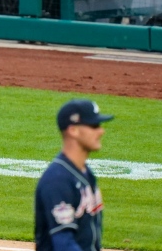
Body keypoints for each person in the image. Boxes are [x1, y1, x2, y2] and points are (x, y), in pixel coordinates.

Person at [34, 99, 114, 251]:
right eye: (94, 126)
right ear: (73, 130)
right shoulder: (57, 180)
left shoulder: (86, 173)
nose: (101, 131)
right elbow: (63, 242)